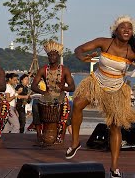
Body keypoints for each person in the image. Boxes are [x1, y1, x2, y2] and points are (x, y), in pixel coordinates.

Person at [65, 16, 135, 178]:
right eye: (123, 27)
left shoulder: (131, 52)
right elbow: (79, 49)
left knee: (115, 127)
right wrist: (81, 56)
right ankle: (75, 143)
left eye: (129, 28)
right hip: (96, 82)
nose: (126, 30)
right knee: (77, 104)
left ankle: (114, 168)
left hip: (116, 89)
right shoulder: (104, 42)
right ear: (115, 31)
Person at [31, 40, 75, 144]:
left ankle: (62, 134)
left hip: (60, 96)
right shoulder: (43, 69)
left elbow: (72, 87)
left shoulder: (65, 70)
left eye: (54, 55)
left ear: (58, 56)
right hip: (47, 96)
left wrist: (63, 88)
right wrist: (42, 91)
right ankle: (38, 133)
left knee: (68, 106)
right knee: (35, 105)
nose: (52, 57)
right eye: (50, 55)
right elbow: (33, 85)